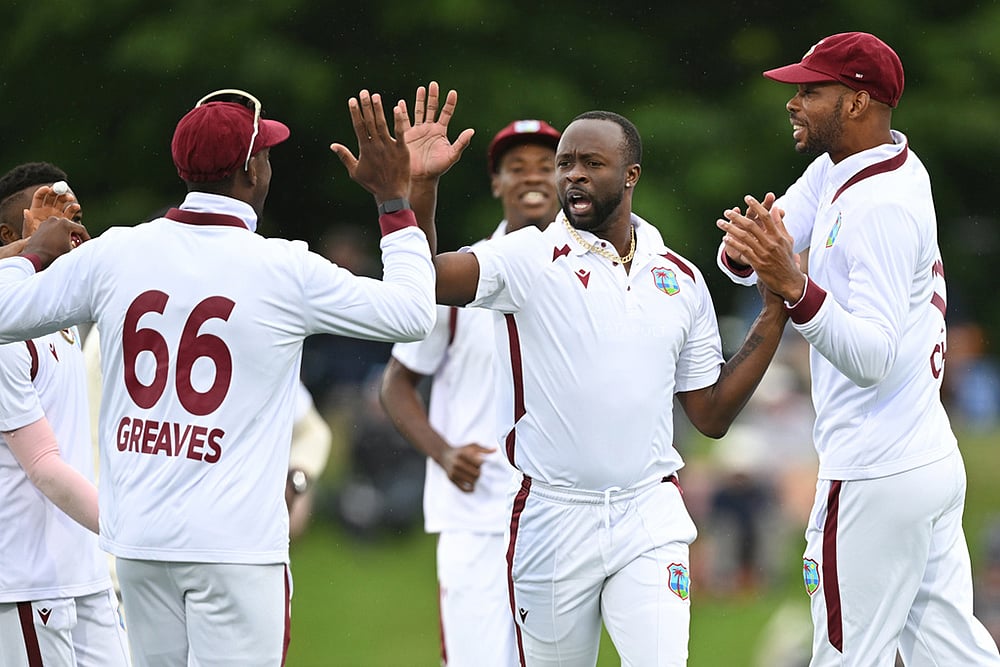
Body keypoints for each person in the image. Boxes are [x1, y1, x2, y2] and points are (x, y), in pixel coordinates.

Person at [0, 87, 436, 666]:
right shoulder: (284, 267)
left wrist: (28, 253)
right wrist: (393, 200)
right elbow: (412, 314)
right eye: (267, 153)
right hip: (235, 549)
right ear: (252, 169)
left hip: (139, 543)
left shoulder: (116, 252)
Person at [403, 82, 789, 666]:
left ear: (631, 175)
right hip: (552, 518)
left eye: (591, 163)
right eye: (566, 165)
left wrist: (777, 306)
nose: (572, 176)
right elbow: (427, 276)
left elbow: (709, 414)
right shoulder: (528, 259)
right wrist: (423, 186)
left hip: (649, 515)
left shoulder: (680, 278)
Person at [716, 32, 1000, 665]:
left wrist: (793, 287)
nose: (794, 102)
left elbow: (870, 356)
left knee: (847, 657)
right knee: (954, 655)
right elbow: (771, 239)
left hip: (874, 472)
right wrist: (747, 252)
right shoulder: (852, 165)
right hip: (918, 457)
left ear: (857, 102)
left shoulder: (883, 206)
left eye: (811, 91)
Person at [380, 118, 561, 666]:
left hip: (559, 511)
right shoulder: (463, 273)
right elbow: (397, 385)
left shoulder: (588, 272)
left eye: (546, 166)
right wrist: (444, 452)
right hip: (477, 514)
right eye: (516, 168)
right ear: (497, 184)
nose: (532, 178)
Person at [0, 165, 131, 666]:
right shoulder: (8, 336)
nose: (68, 229)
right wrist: (133, 528)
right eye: (49, 216)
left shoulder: (59, 317)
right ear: (10, 237)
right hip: (29, 582)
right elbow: (44, 465)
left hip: (86, 570)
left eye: (73, 216)